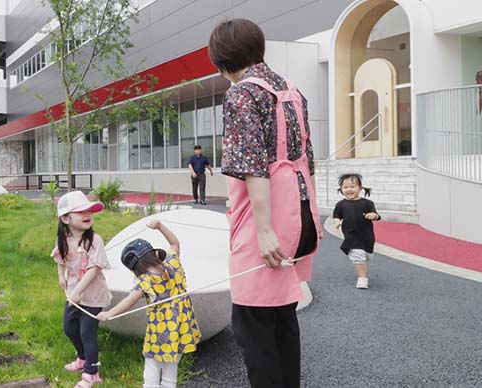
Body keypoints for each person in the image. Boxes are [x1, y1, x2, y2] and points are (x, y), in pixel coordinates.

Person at [209, 18, 320, 388]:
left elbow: (253, 168)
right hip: (300, 215)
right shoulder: (292, 91)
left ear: (223, 60)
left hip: (268, 221)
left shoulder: (242, 93)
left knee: (253, 328)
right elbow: (308, 158)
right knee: (282, 320)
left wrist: (265, 230)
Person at [98, 220, 201, 388]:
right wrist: (160, 226)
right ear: (154, 255)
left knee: (152, 361)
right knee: (172, 361)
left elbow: (129, 301)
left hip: (162, 331)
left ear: (135, 269)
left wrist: (109, 314)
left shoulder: (146, 281)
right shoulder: (172, 264)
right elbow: (175, 243)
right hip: (182, 327)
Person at [52, 190, 111, 388]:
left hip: (92, 295)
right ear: (66, 218)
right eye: (81, 212)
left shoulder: (95, 240)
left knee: (87, 332)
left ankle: (91, 373)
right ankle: (83, 358)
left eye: (89, 211)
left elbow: (95, 268)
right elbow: (60, 258)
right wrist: (62, 276)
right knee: (69, 327)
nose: (87, 215)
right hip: (73, 294)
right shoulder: (63, 239)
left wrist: (78, 291)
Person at [332, 173, 380, 289]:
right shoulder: (340, 204)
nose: (349, 189)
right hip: (351, 236)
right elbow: (336, 216)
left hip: (366, 236)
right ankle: (362, 278)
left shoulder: (367, 203)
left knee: (367, 256)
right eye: (345, 187)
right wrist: (337, 222)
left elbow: (376, 215)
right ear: (341, 189)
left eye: (352, 186)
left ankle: (362, 265)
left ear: (360, 188)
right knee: (357, 255)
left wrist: (373, 215)